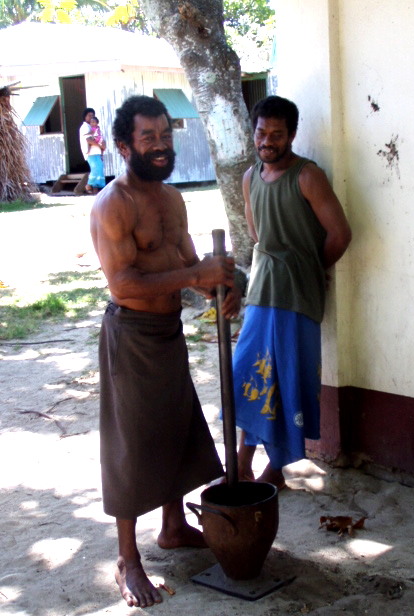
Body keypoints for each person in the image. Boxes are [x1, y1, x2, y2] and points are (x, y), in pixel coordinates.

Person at [90, 95, 240, 608]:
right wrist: (194, 275)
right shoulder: (113, 204)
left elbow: (189, 261)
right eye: (148, 138)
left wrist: (218, 283)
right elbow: (124, 283)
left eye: (165, 136)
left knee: (174, 428)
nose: (159, 147)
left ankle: (173, 526)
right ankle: (127, 561)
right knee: (132, 445)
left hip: (168, 334)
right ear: (124, 145)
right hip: (131, 335)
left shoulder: (173, 200)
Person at [233, 95, 352, 491]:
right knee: (250, 375)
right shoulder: (250, 178)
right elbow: (256, 234)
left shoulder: (307, 176)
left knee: (286, 378)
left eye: (277, 135)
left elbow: (340, 234)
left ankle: (276, 470)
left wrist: (311, 269)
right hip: (261, 293)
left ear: (292, 135)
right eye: (261, 133)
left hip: (298, 298)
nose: (267, 141)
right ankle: (241, 463)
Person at [79, 107, 105, 194]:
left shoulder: (95, 127)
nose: (91, 117)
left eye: (93, 115)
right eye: (89, 115)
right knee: (95, 169)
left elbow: (101, 138)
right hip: (91, 153)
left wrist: (102, 147)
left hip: (97, 152)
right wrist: (100, 145)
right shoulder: (85, 127)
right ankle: (89, 185)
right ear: (85, 117)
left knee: (99, 169)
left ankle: (97, 189)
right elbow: (89, 140)